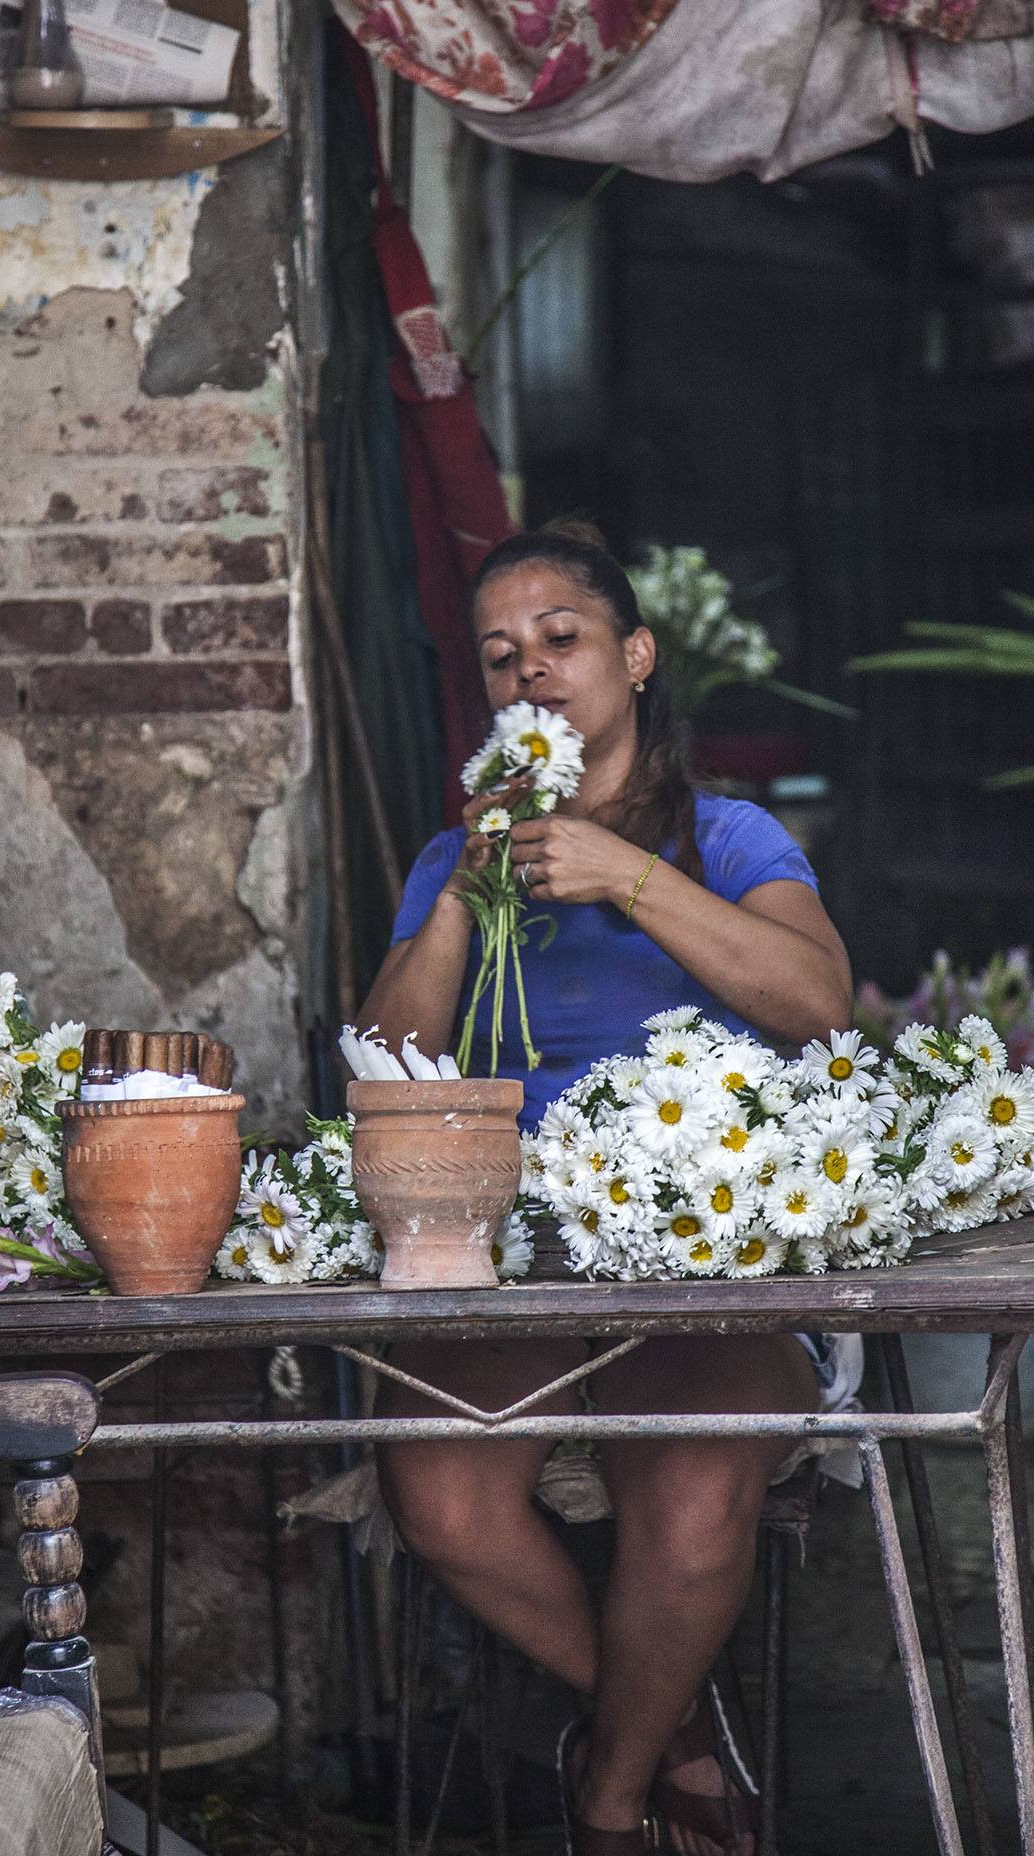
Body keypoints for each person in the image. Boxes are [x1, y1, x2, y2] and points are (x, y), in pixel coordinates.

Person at [357, 525, 855, 1856]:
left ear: (633, 659)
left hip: (702, 1248)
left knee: (692, 1510)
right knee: (441, 1503)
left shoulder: (724, 834)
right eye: (500, 658)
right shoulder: (448, 860)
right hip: (504, 1249)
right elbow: (389, 1063)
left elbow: (816, 1005)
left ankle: (613, 1799)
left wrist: (620, 872)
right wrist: (464, 890)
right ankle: (674, 1729)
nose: (531, 676)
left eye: (561, 641)